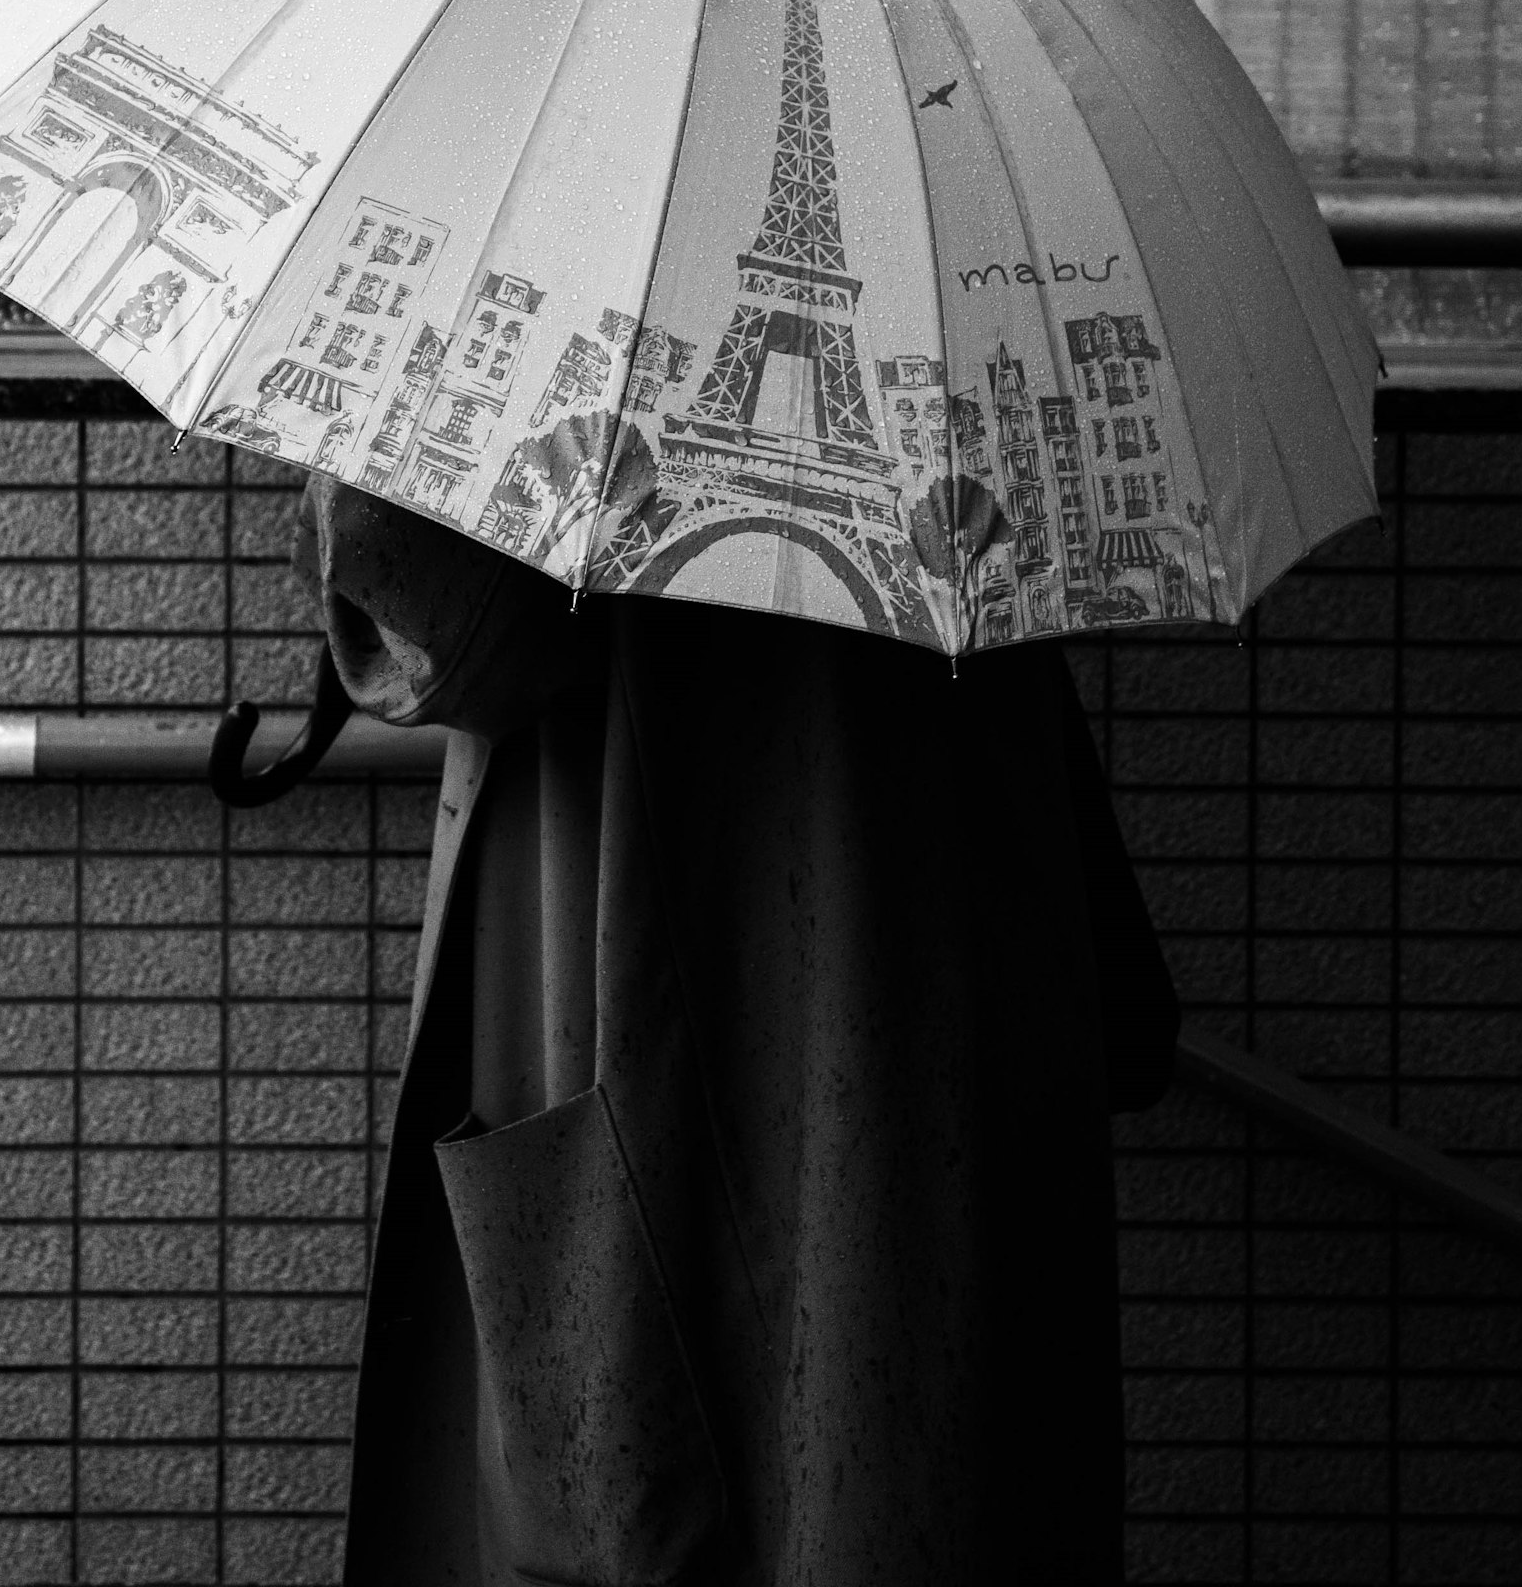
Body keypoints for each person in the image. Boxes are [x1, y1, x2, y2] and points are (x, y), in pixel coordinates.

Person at [299, 478, 1179, 1587]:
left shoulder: (584, 374)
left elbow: (437, 619)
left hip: (630, 951)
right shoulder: (946, 378)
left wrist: (351, 493)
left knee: (651, 1444)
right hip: (933, 937)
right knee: (905, 1437)